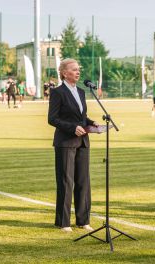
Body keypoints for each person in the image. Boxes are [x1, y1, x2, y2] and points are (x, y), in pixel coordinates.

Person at [48, 58, 99, 232]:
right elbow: (52, 119)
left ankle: (83, 220)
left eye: (78, 69)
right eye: (74, 69)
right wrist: (72, 128)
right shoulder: (57, 92)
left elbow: (82, 117)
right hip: (65, 142)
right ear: (64, 73)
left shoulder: (82, 92)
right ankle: (63, 222)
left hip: (83, 141)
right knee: (66, 182)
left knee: (83, 181)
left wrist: (93, 124)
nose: (78, 72)